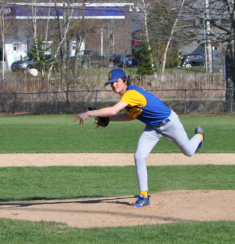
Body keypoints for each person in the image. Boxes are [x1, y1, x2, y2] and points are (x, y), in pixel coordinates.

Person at [73, 69, 204, 208]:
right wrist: (109, 119)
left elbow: (113, 110)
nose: (114, 85)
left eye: (117, 81)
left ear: (125, 81)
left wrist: (89, 113)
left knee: (189, 152)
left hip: (169, 123)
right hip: (153, 127)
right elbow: (130, 116)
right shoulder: (126, 98)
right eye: (111, 83)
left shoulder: (131, 94)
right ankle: (144, 196)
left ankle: (199, 136)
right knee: (139, 156)